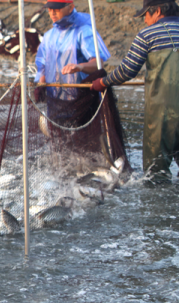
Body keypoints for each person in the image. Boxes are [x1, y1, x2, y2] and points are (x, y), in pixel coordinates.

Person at [92, 0, 179, 184]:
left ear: (157, 11)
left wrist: (103, 82)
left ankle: (159, 210)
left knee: (156, 175)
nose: (145, 21)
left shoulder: (148, 34)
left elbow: (127, 70)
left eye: (146, 15)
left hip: (162, 114)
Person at [35, 0, 111, 101]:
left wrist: (80, 67)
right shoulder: (48, 36)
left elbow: (98, 63)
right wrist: (41, 85)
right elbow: (43, 66)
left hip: (81, 98)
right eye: (50, 9)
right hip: (54, 100)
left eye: (57, 9)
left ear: (70, 7)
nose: (52, 13)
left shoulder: (83, 31)